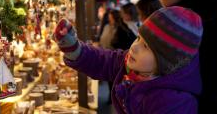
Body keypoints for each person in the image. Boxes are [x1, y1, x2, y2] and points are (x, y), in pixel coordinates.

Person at [54, 6, 203, 113]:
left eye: (146, 46)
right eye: (138, 38)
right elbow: (103, 61)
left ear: (167, 61)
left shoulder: (174, 103)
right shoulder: (133, 65)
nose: (134, 47)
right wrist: (74, 48)